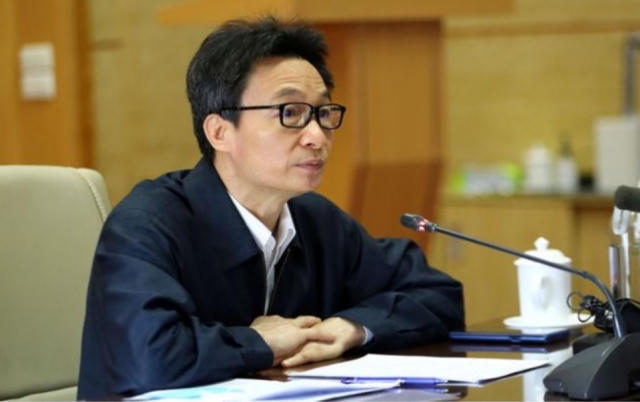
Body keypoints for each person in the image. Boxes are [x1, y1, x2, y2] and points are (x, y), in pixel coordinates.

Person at [77, 16, 464, 399]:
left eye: (322, 113)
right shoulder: (147, 223)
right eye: (290, 113)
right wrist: (260, 342)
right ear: (220, 132)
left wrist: (352, 328)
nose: (317, 136)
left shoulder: (315, 220)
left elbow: (438, 294)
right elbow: (150, 358)